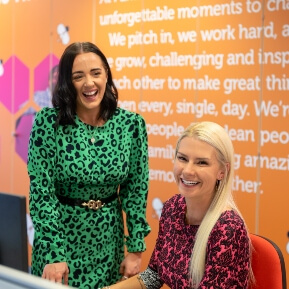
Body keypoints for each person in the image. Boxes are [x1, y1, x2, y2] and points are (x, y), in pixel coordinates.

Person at [27, 42, 151, 289]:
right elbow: (42, 194)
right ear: (66, 82)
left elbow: (136, 190)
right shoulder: (48, 123)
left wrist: (135, 249)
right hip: (60, 243)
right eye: (78, 76)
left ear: (106, 74)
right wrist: (54, 255)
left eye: (96, 73)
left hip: (108, 243)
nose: (89, 83)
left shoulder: (131, 125)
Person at [106, 121, 253, 289]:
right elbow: (153, 275)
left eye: (201, 163)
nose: (188, 170)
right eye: (183, 158)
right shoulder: (173, 208)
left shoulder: (227, 229)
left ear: (222, 171)